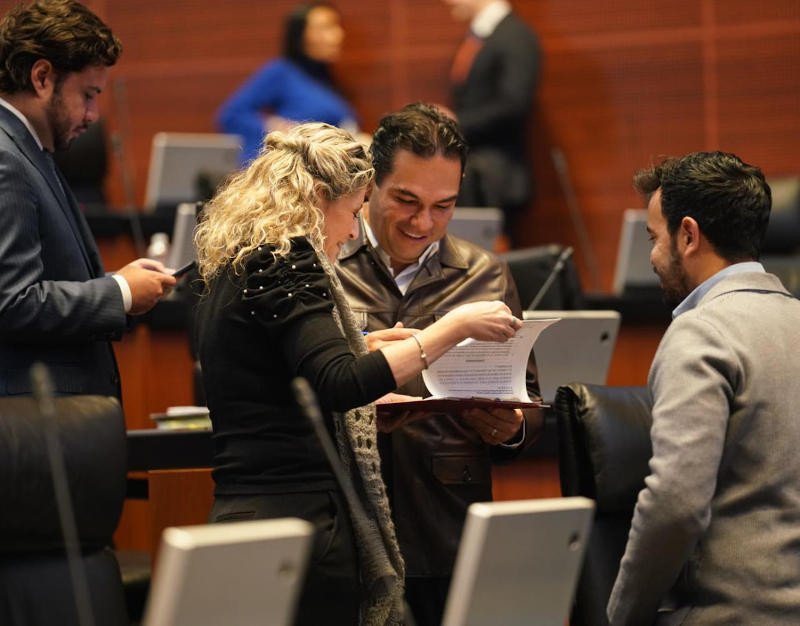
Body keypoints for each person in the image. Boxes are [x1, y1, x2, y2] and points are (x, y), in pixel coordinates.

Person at [193, 121, 523, 626]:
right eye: (351, 212)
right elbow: (341, 384)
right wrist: (447, 331)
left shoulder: (242, 264)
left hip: (248, 513)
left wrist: (366, 344)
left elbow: (279, 367)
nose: (351, 231)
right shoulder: (288, 263)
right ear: (317, 198)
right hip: (301, 521)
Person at [336, 102, 544, 626]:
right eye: (405, 200)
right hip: (345, 518)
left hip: (447, 523)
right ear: (369, 183)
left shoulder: (486, 274)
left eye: (443, 206)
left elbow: (531, 397)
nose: (422, 222)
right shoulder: (326, 263)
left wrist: (512, 428)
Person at [607, 152, 800, 625]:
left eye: (654, 238)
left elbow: (675, 504)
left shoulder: (701, 333)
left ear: (688, 235)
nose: (652, 256)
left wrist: (621, 615)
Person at [0, 0, 175, 398]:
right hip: (32, 424)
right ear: (42, 77)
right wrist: (120, 292)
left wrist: (118, 284)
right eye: (89, 94)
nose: (95, 115)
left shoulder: (29, 150)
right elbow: (11, 303)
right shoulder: (6, 159)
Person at [443, 0, 541, 245]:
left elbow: (513, 104)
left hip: (496, 178)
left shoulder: (516, 36)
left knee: (491, 270)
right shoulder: (480, 37)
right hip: (472, 177)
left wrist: (454, 122)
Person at [216, 2, 358, 166]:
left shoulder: (329, 81)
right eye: (326, 27)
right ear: (300, 35)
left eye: (336, 26)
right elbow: (232, 114)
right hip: (294, 176)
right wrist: (275, 129)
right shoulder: (282, 72)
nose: (338, 34)